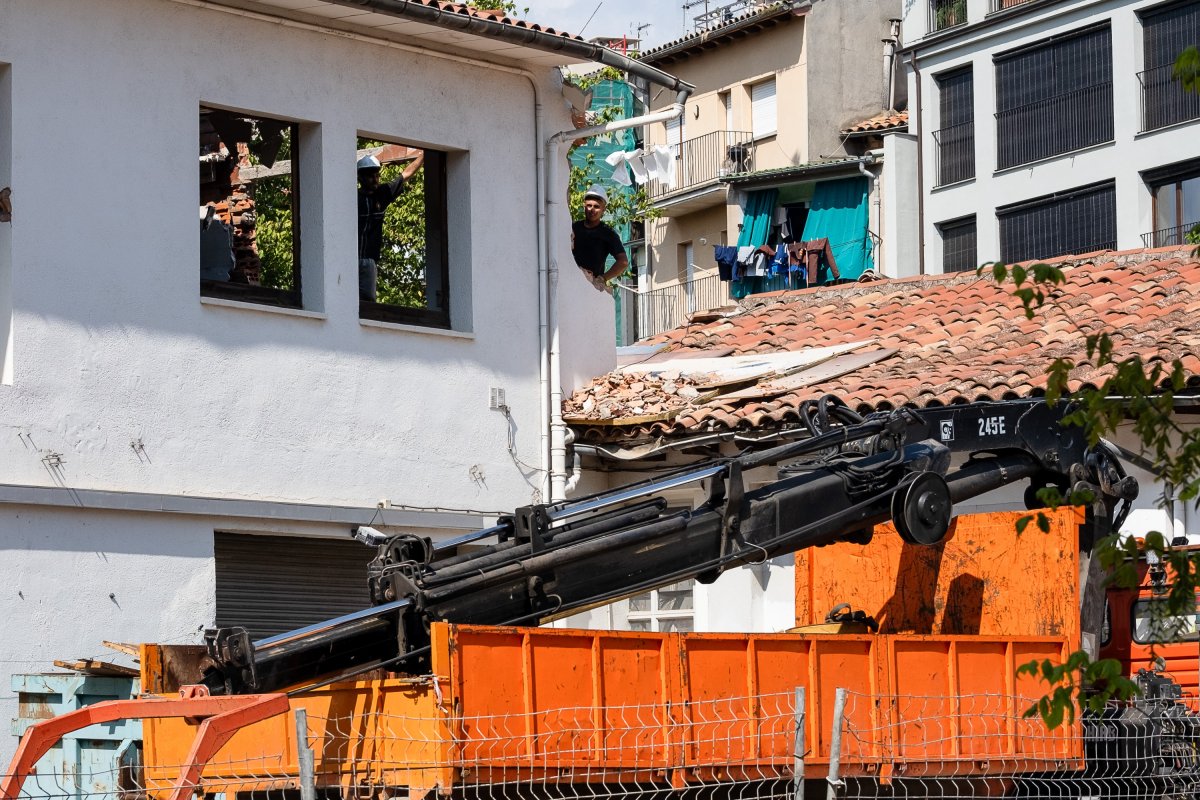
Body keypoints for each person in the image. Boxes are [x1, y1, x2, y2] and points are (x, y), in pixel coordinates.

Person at [358, 150, 424, 302]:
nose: (375, 180)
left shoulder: (382, 194)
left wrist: (424, 156)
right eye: (370, 176)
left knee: (367, 303)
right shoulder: (353, 198)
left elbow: (405, 175)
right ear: (360, 178)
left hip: (369, 260)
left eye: (377, 176)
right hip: (349, 259)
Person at [571, 185, 628, 291]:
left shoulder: (608, 234)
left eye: (596, 206)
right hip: (569, 282)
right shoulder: (573, 228)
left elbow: (623, 262)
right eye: (589, 205)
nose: (592, 209)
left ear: (603, 209)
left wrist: (602, 279)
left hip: (590, 288)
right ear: (584, 206)